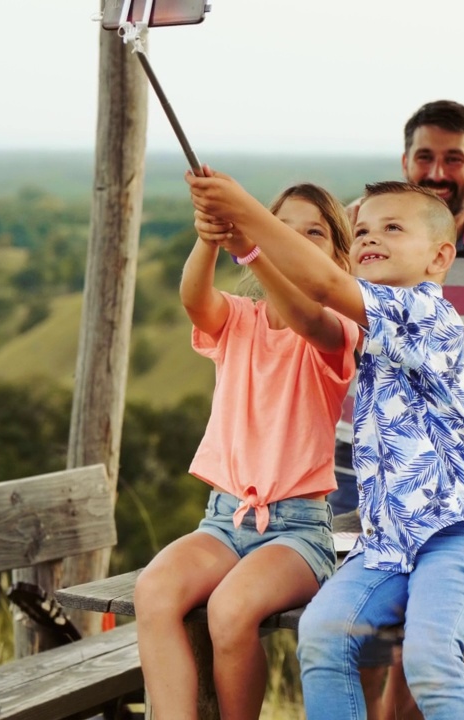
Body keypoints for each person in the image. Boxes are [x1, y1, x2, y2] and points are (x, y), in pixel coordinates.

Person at [188, 173, 464, 720]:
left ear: (440, 257)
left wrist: (246, 211)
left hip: (459, 537)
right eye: (362, 229)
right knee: (321, 636)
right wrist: (250, 252)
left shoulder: (427, 314)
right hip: (387, 543)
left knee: (430, 656)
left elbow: (321, 287)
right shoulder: (372, 328)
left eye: (392, 227)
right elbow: (311, 315)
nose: (369, 238)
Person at [132, 183, 361, 720]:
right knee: (154, 591)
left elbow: (307, 319)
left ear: (333, 256)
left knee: (230, 609)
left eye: (312, 235)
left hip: (298, 530)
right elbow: (195, 299)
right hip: (223, 518)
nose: (293, 242)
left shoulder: (340, 329)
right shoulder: (239, 320)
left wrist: (256, 250)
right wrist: (210, 239)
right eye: (281, 229)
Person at [329, 99, 464, 516]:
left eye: (453, 159)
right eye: (424, 157)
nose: (436, 173)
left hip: (462, 464)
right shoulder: (359, 239)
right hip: (356, 461)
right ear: (405, 163)